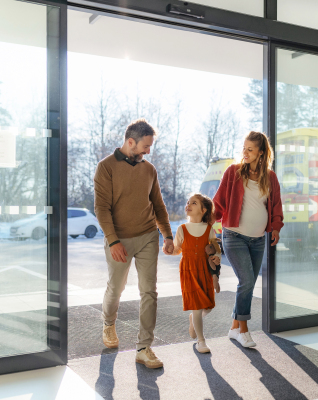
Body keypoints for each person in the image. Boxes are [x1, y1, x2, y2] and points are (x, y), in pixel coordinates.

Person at [94, 118, 174, 369]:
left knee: (149, 290)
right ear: (131, 142)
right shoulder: (105, 167)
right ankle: (108, 322)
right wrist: (113, 241)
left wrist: (168, 235)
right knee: (115, 288)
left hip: (148, 235)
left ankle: (143, 347)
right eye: (146, 146)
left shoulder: (149, 169)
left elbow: (158, 206)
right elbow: (101, 208)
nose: (148, 151)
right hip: (119, 239)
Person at [213, 131, 284, 348]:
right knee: (246, 281)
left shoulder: (270, 177)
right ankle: (244, 330)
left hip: (258, 239)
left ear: (261, 153)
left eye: (250, 149)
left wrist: (275, 228)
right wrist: (204, 225)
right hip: (234, 235)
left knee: (249, 283)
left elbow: (275, 205)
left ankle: (234, 327)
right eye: (244, 148)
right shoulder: (233, 172)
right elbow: (219, 202)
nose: (245, 152)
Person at [167, 193, 220, 353]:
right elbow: (177, 249)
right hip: (188, 270)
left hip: (205, 269)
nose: (188, 205)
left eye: (194, 203)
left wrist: (216, 259)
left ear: (203, 210)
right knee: (196, 306)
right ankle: (201, 341)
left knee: (208, 306)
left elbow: (215, 251)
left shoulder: (209, 230)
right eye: (188, 202)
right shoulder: (182, 229)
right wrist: (170, 249)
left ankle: (193, 320)